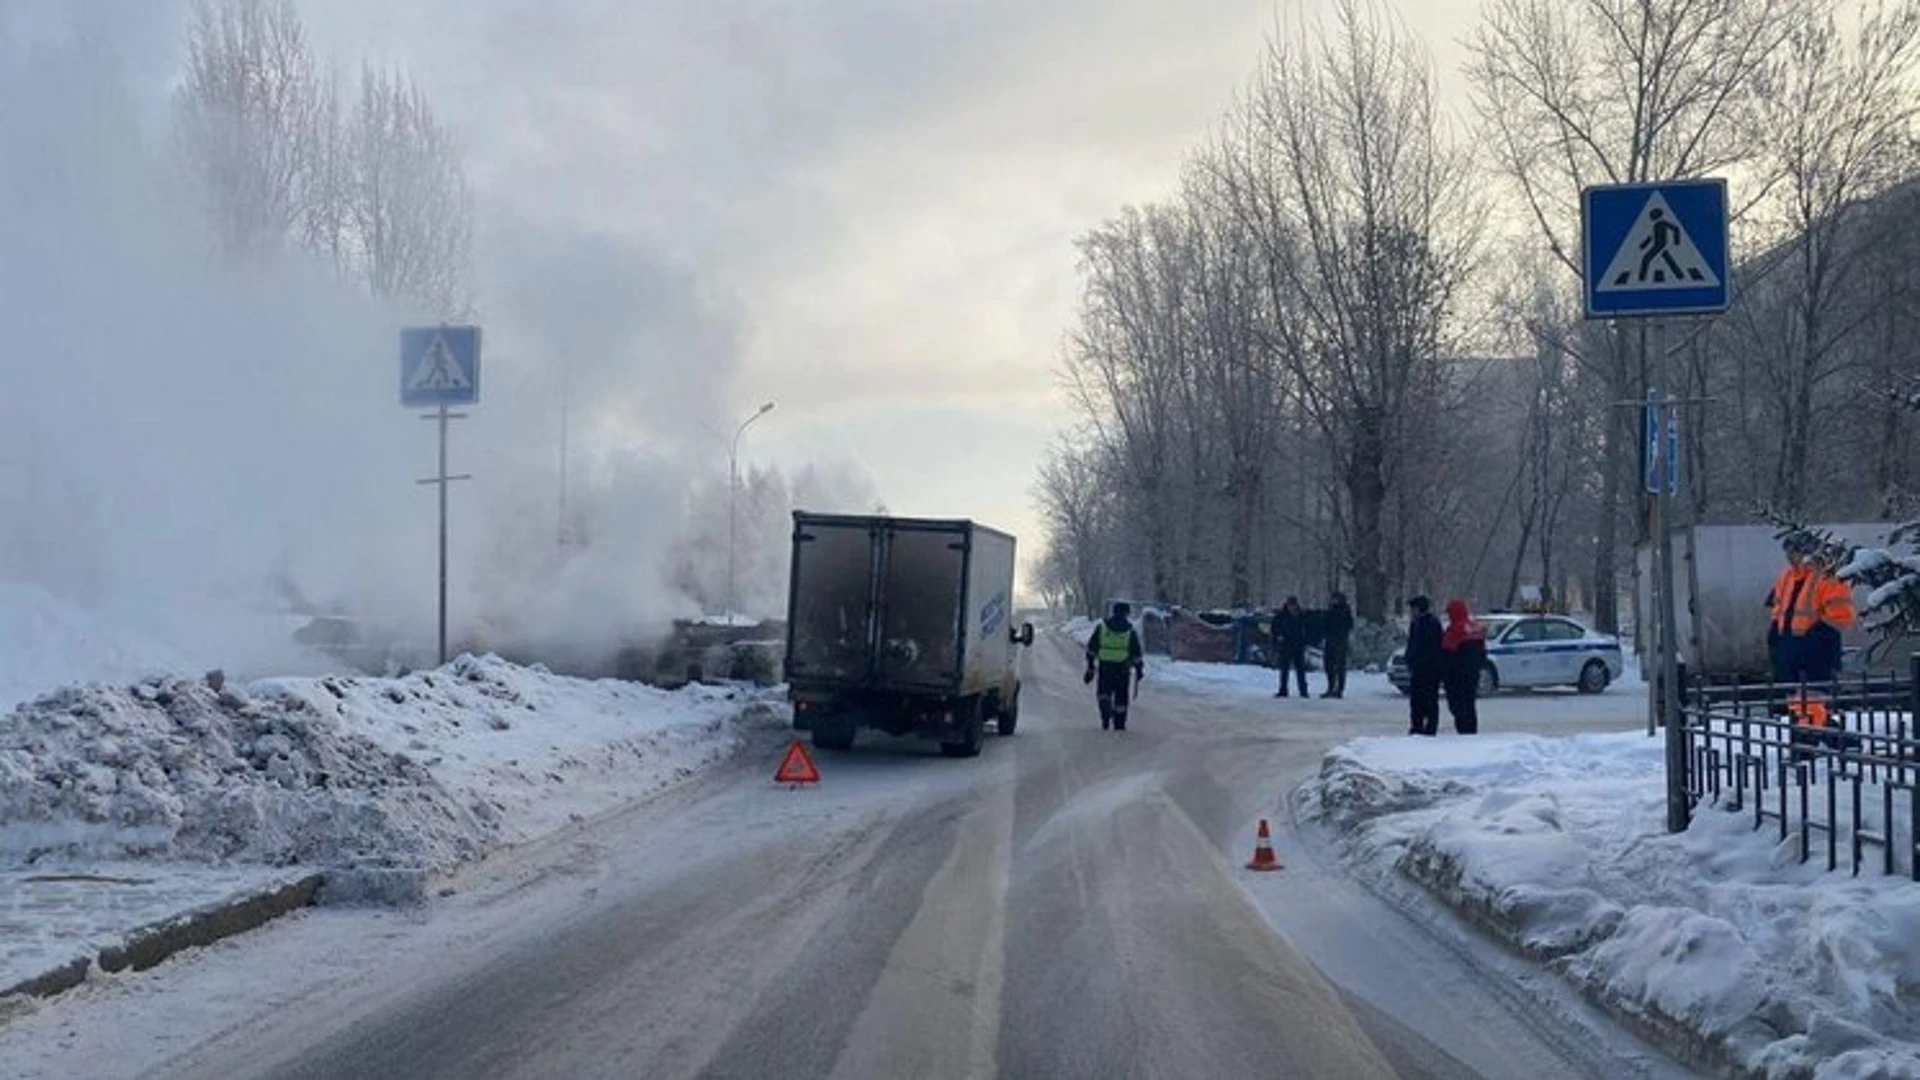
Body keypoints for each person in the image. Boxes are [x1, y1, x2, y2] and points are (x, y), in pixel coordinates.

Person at [1766, 538, 1856, 686]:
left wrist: (1815, 639)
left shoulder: (1828, 577)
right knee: (1791, 698)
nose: (1789, 556)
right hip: (1788, 650)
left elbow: (1842, 617)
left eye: (1795, 551)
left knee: (1814, 699)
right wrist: (1775, 635)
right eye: (1787, 551)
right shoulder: (1787, 576)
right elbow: (1779, 609)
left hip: (1817, 652)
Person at [1084, 601, 1145, 731]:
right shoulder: (1130, 631)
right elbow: (1136, 652)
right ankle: (1119, 723)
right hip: (1123, 668)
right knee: (1121, 696)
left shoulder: (1102, 628)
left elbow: (1091, 648)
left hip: (1105, 666)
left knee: (1103, 692)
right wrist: (1139, 669)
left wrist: (1090, 667)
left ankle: (1105, 713)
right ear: (1127, 613)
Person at [1440, 599, 1488, 735]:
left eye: (1450, 613)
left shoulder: (1456, 629)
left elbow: (1448, 651)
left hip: (1457, 677)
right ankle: (1470, 731)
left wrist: (1446, 672)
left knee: (1458, 706)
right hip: (1472, 675)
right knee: (1469, 704)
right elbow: (1482, 653)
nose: (1449, 616)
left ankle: (1464, 731)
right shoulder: (1474, 627)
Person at [1404, 596, 1443, 736]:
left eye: (1413, 608)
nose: (1411, 611)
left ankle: (1430, 727)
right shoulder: (1415, 623)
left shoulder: (1432, 623)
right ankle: (1417, 725)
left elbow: (1434, 648)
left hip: (1430, 669)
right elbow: (1412, 644)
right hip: (1418, 669)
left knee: (1430, 699)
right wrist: (1409, 659)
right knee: (1416, 700)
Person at [1271, 597, 1309, 698]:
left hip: (1298, 645)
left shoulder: (1301, 615)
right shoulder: (1281, 616)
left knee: (1300, 669)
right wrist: (1278, 636)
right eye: (1290, 605)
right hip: (1285, 645)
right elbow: (1274, 628)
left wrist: (1305, 639)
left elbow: (1307, 628)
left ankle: (1303, 690)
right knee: (1284, 669)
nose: (1292, 607)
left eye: (1293, 605)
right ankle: (1283, 690)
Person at [1321, 591, 1354, 699]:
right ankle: (1331, 687)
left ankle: (1339, 689)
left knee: (1339, 666)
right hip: (1330, 641)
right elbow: (1326, 623)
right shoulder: (1330, 610)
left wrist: (1340, 636)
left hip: (1340, 642)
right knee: (1328, 666)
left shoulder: (1345, 610)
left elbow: (1348, 625)